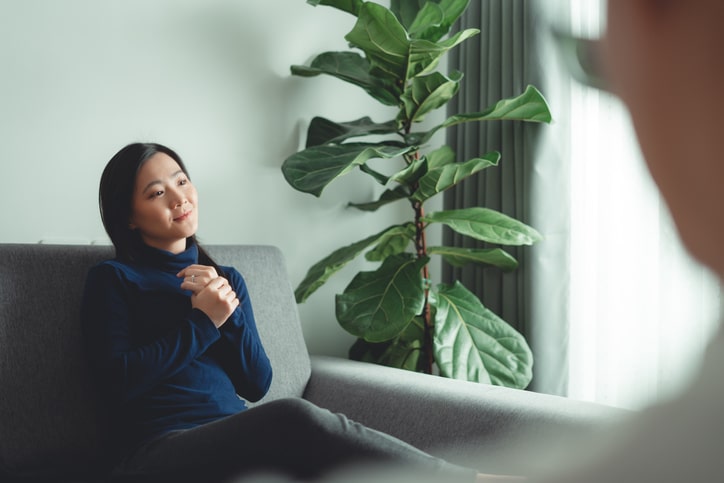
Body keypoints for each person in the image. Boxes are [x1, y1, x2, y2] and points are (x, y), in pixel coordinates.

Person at [81, 142, 515, 482]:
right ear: (130, 217)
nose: (179, 198)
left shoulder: (226, 279)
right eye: (157, 193)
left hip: (234, 439)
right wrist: (202, 323)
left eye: (181, 181)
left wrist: (227, 316)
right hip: (155, 453)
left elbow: (257, 383)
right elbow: (118, 381)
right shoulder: (115, 279)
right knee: (295, 417)